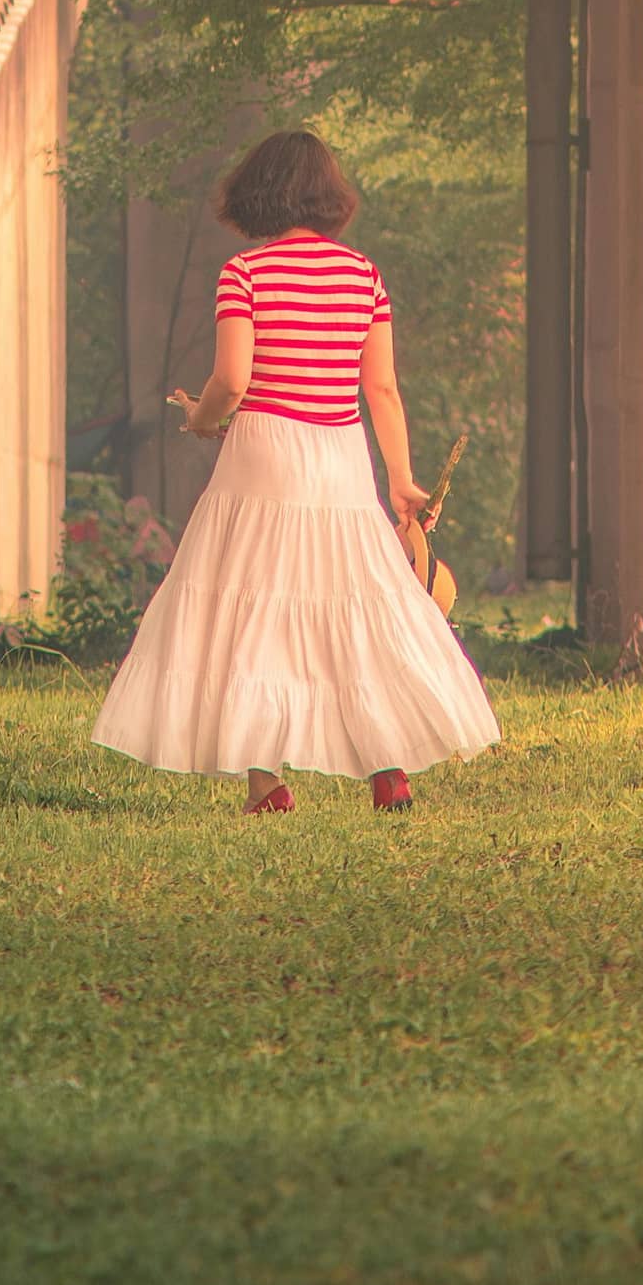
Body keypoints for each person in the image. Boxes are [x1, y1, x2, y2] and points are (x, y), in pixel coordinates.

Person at [92, 129, 500, 819]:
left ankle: (267, 785)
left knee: (254, 604)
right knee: (359, 604)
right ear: (329, 195)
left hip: (263, 454)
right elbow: (384, 390)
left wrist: (200, 420)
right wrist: (401, 477)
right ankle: (389, 769)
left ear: (257, 193)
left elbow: (232, 378)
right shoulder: (362, 275)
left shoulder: (246, 273)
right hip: (340, 455)